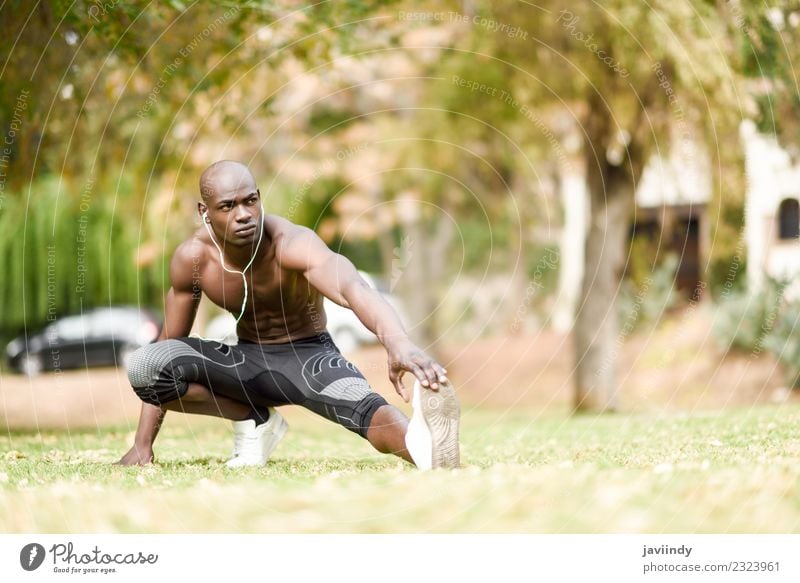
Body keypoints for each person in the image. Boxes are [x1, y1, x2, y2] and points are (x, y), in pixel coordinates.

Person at [117, 160, 459, 470]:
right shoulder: (194, 259)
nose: (243, 214)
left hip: (309, 357)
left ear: (259, 197)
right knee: (147, 365)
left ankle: (426, 448)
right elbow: (169, 343)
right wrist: (142, 444)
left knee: (363, 408)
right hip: (245, 362)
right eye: (227, 206)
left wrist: (398, 343)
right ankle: (255, 418)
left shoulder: (291, 243)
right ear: (204, 211)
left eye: (250, 200)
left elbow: (354, 288)